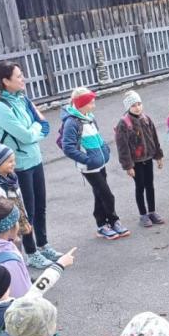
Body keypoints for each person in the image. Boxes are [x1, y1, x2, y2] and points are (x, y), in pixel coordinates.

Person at [0, 61, 63, 265]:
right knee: (25, 211)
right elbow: (27, 134)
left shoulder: (22, 99)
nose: (23, 79)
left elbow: (44, 124)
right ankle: (31, 252)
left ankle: (44, 244)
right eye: (18, 76)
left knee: (40, 206)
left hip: (35, 159)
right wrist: (36, 130)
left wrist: (35, 130)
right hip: (16, 164)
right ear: (5, 81)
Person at [0, 198, 73, 299]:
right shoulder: (9, 261)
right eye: (18, 221)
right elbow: (25, 298)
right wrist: (60, 265)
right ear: (11, 226)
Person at [61, 87, 130, 240]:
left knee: (99, 194)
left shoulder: (90, 117)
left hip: (99, 163)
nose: (94, 106)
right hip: (89, 167)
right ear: (81, 104)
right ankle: (113, 220)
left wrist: (105, 149)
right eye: (91, 103)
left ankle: (102, 225)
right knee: (107, 195)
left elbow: (97, 136)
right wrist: (88, 160)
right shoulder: (72, 123)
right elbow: (68, 148)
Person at [0, 142, 50, 268]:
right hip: (7, 225)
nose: (14, 164)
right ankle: (19, 269)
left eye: (14, 160)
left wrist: (24, 220)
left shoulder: (11, 176)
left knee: (15, 248)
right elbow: (8, 207)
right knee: (11, 249)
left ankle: (21, 267)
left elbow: (18, 201)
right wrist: (20, 223)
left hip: (17, 219)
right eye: (9, 162)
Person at [115, 90, 166, 228]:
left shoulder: (146, 119)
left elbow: (154, 138)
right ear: (128, 107)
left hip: (148, 158)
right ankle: (143, 215)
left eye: (139, 104)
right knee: (140, 186)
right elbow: (122, 147)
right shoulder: (123, 124)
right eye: (134, 105)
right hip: (136, 162)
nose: (137, 107)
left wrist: (158, 156)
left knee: (150, 185)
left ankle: (152, 212)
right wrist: (128, 166)